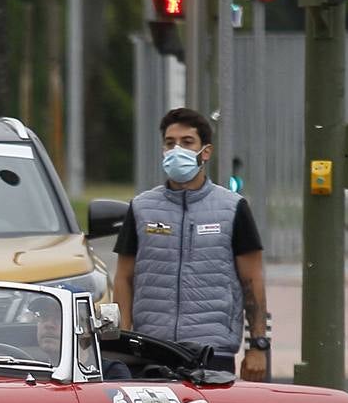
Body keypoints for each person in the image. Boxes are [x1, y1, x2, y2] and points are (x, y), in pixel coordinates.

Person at [113, 108, 268, 380]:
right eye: (170, 143)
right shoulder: (141, 207)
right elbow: (124, 278)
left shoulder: (233, 208)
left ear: (205, 152)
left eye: (187, 142)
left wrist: (257, 346)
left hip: (212, 352)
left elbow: (252, 281)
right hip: (151, 350)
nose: (177, 150)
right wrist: (124, 339)